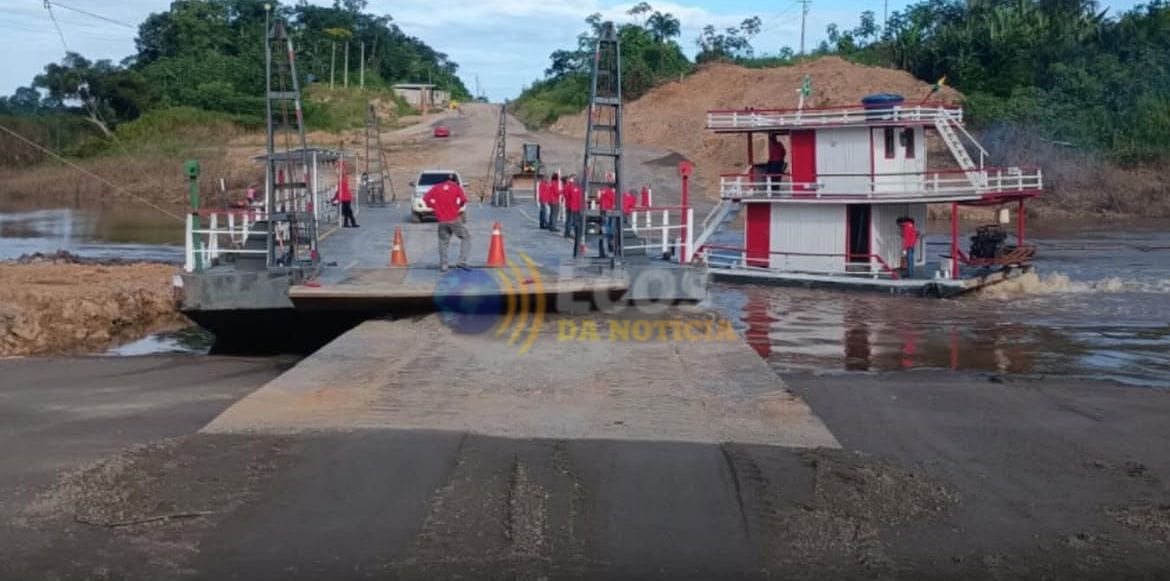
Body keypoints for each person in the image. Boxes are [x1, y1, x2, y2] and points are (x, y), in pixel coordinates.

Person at [423, 175, 470, 271]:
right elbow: (464, 200)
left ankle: (444, 265)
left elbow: (426, 198)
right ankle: (462, 261)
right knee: (466, 237)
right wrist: (457, 207)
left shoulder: (436, 187)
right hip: (454, 219)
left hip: (442, 220)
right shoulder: (456, 187)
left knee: (443, 242)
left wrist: (434, 206)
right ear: (454, 181)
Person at [563, 174, 582, 240]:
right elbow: (567, 195)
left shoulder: (577, 187)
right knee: (571, 220)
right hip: (571, 206)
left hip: (574, 206)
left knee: (572, 220)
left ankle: (568, 232)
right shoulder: (569, 187)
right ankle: (568, 232)